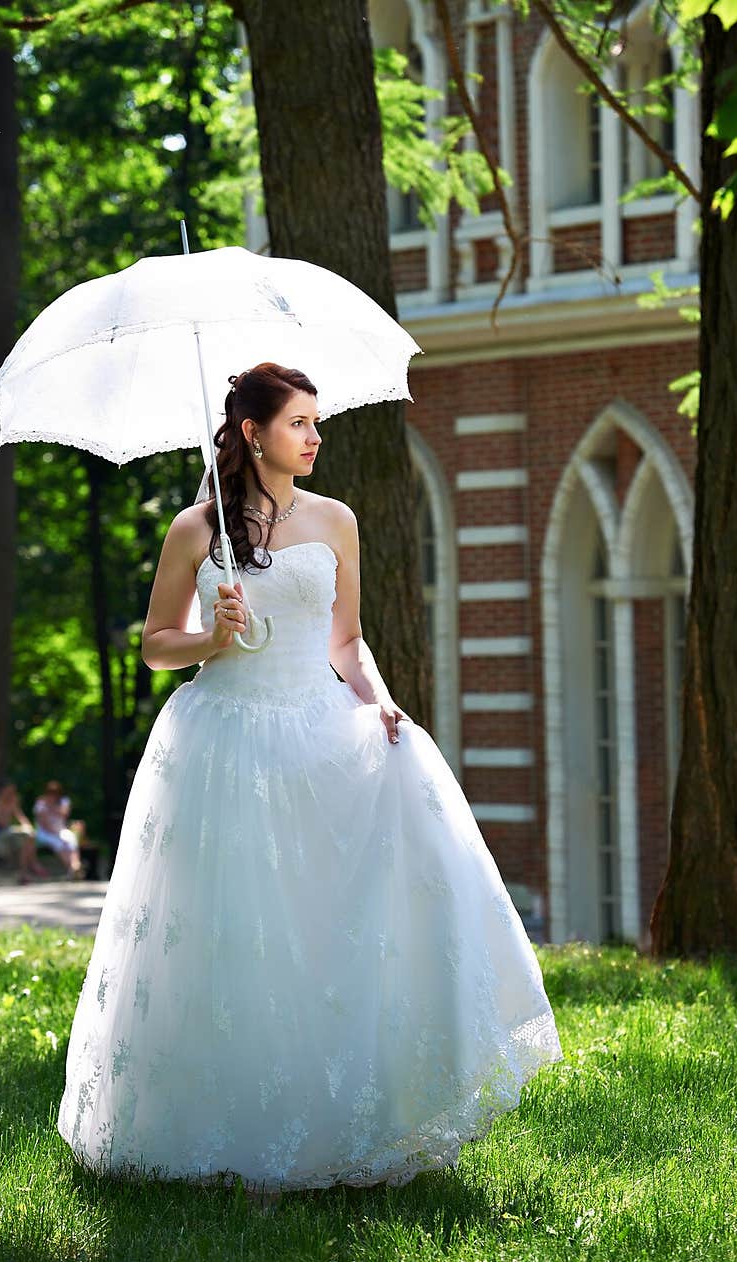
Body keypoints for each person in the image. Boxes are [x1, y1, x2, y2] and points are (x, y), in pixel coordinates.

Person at [57, 362, 562, 1201]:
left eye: (316, 422)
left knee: (326, 926)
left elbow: (346, 641)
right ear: (253, 434)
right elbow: (153, 645)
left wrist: (381, 701)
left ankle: (349, 1118)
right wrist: (210, 640)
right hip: (221, 743)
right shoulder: (196, 530)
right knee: (234, 934)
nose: (315, 436)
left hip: (317, 728)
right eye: (299, 423)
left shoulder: (337, 520)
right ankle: (228, 1133)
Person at [0, 781, 48, 884]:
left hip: (9, 836)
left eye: (13, 791)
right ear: (2, 790)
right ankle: (34, 865)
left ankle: (24, 874)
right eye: (10, 791)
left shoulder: (12, 802)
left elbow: (22, 818)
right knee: (25, 835)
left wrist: (28, 827)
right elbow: (2, 823)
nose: (12, 793)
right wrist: (6, 806)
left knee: (28, 838)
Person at [33, 780, 84, 879]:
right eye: (51, 793)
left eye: (55, 793)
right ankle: (72, 870)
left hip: (60, 830)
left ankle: (75, 865)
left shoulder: (64, 801)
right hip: (45, 832)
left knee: (71, 840)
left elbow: (64, 814)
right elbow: (43, 823)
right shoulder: (40, 803)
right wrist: (54, 833)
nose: (53, 795)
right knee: (59, 844)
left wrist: (52, 806)